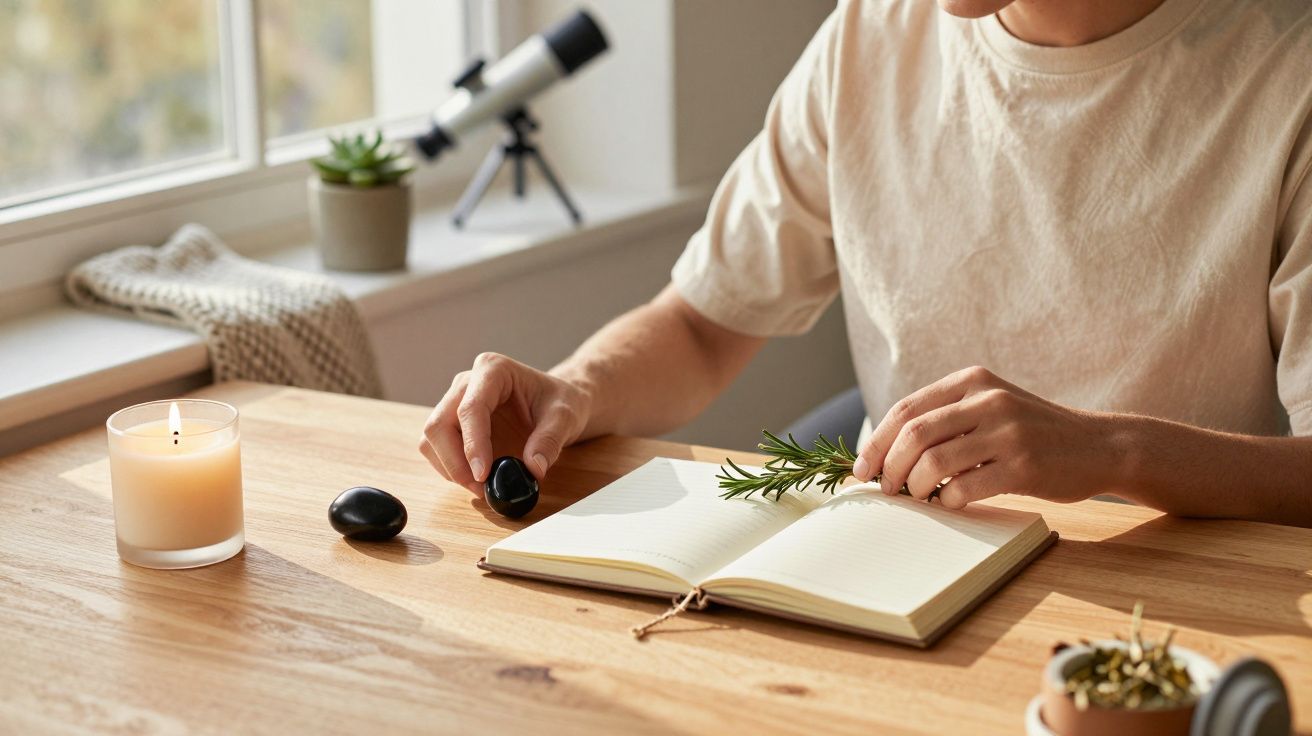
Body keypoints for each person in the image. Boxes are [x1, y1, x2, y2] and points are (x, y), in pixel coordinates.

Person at [419, 0, 1312, 527]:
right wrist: (575, 388)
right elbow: (700, 324)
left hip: (1174, 607)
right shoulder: (868, 36)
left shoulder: (1286, 71)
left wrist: (1112, 449)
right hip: (909, 567)